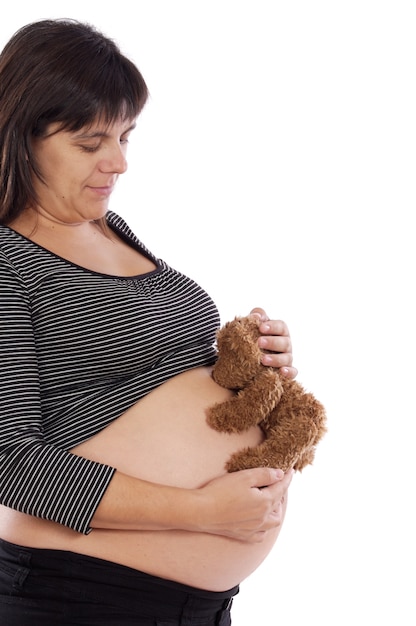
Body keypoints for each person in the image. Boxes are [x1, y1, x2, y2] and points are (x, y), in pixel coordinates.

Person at [0, 19, 298, 626]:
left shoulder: (110, 230)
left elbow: (157, 376)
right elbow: (9, 460)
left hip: (196, 606)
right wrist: (202, 515)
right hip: (78, 597)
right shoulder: (10, 261)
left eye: (126, 136)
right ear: (21, 137)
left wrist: (257, 366)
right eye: (90, 143)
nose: (118, 162)